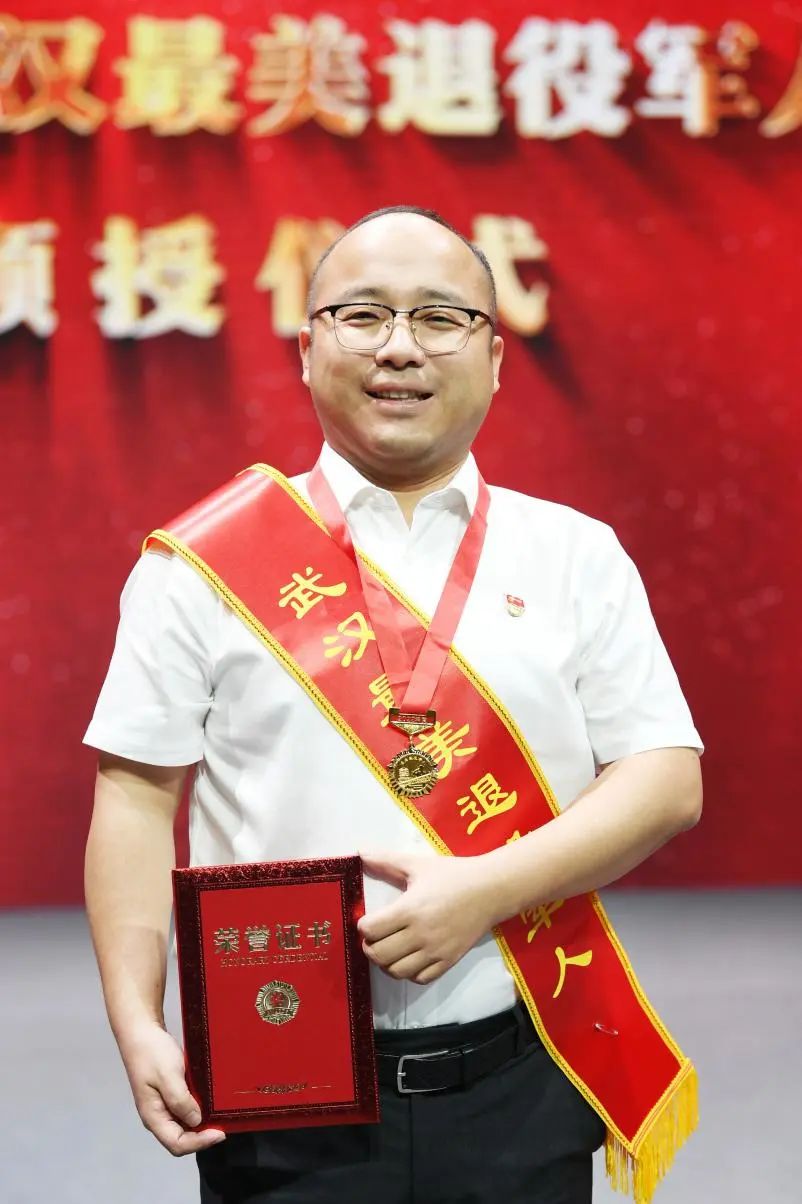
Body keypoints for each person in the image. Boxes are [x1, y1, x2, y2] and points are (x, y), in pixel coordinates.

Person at [84, 206, 703, 1204]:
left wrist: (487, 887)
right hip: (279, 1083)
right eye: (363, 314)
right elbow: (134, 797)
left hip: (520, 1078)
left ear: (493, 358)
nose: (399, 347)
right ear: (307, 348)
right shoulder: (196, 566)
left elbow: (667, 779)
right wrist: (136, 1018)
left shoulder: (573, 554)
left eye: (439, 317)